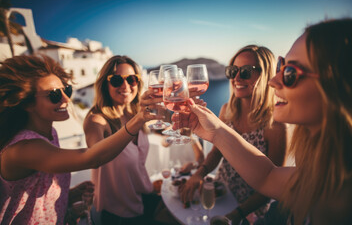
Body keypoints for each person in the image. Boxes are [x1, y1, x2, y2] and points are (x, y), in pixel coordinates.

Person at [174, 18, 352, 225]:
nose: (273, 81)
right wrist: (216, 133)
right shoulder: (322, 173)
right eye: (280, 66)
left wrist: (237, 214)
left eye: (290, 73)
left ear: (339, 87)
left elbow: (266, 181)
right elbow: (268, 175)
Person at [0, 54, 159, 224]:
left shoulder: (50, 135)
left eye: (67, 90)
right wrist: (139, 118)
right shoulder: (23, 148)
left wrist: (68, 194)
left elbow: (34, 191)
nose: (67, 99)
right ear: (26, 103)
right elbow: (92, 157)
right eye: (55, 95)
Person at [179, 45, 287, 224]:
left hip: (249, 210)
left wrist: (236, 215)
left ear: (265, 75)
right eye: (233, 71)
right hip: (221, 193)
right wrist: (199, 174)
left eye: (245, 71)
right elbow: (216, 152)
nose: (236, 78)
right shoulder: (227, 110)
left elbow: (272, 186)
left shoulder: (275, 125)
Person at [83, 55, 161, 225]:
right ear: (105, 84)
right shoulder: (97, 120)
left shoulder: (135, 114)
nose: (126, 86)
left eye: (132, 79)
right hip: (119, 215)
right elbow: (95, 155)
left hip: (143, 198)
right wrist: (139, 120)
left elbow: (163, 128)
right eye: (117, 80)